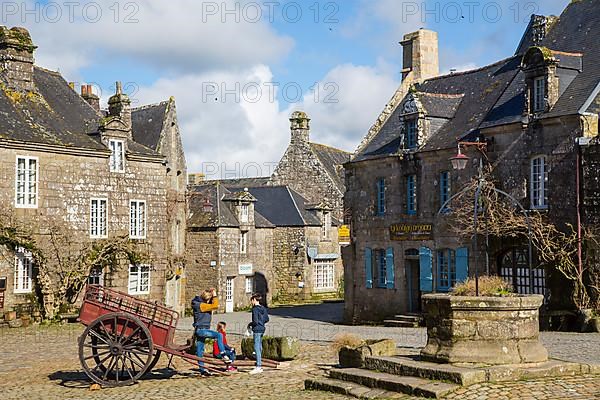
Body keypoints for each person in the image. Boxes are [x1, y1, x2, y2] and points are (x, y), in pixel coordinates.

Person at [191, 288, 228, 376]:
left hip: (200, 330)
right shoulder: (201, 306)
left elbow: (212, 304)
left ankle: (202, 370)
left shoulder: (200, 304)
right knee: (219, 335)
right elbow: (215, 306)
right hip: (202, 330)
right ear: (206, 299)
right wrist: (214, 295)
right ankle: (223, 354)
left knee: (200, 352)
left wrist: (212, 295)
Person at [248, 293, 269, 375]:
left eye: (251, 301)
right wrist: (262, 322)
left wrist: (250, 325)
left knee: (256, 346)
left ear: (254, 300)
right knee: (259, 346)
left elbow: (255, 321)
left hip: (257, 329)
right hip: (262, 328)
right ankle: (259, 361)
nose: (251, 303)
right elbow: (267, 319)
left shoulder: (255, 309)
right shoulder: (263, 308)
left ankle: (258, 366)